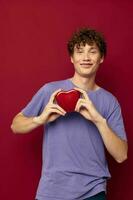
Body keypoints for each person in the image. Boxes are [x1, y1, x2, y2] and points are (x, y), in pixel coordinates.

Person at [11, 27, 128, 200]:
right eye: (80, 52)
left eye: (92, 51)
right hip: (51, 191)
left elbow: (121, 155)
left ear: (101, 58)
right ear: (71, 58)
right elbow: (15, 125)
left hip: (93, 191)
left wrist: (98, 120)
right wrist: (40, 119)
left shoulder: (110, 101)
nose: (86, 57)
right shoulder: (50, 91)